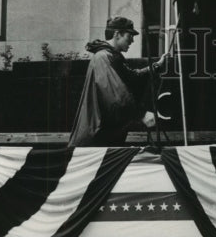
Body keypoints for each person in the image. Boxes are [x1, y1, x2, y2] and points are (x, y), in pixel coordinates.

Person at [69, 16, 171, 147]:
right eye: (130, 35)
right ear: (117, 34)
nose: (133, 40)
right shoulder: (103, 57)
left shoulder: (112, 56)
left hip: (103, 135)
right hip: (96, 139)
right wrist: (142, 115)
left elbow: (133, 76)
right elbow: (116, 96)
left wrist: (156, 66)